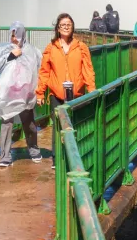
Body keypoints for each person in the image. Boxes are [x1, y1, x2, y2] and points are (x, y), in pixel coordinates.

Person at [36, 12, 96, 162]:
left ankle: (74, 158)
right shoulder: (51, 48)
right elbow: (44, 72)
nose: (66, 27)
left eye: (68, 25)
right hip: (56, 95)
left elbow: (88, 70)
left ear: (73, 27)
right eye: (63, 25)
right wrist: (40, 93)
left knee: (74, 126)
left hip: (76, 95)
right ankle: (57, 159)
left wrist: (92, 90)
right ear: (57, 28)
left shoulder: (81, 47)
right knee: (58, 128)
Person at [0, 21, 42, 168]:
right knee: (6, 122)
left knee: (28, 122)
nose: (14, 37)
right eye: (12, 34)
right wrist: (10, 56)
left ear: (23, 35)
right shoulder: (4, 49)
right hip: (8, 93)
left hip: (26, 92)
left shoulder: (32, 51)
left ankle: (34, 149)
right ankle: (5, 156)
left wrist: (38, 90)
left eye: (16, 34)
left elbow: (40, 69)